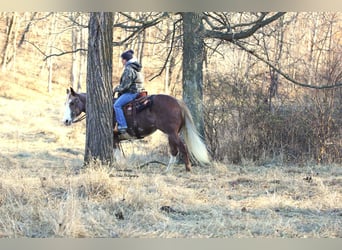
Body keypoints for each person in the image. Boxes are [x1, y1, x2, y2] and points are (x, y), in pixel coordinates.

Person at [113, 50, 144, 134]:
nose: (121, 61)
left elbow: (125, 86)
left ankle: (122, 125)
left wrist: (115, 89)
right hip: (138, 90)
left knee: (116, 105)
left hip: (132, 92)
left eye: (122, 59)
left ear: (124, 60)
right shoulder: (135, 67)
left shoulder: (129, 69)